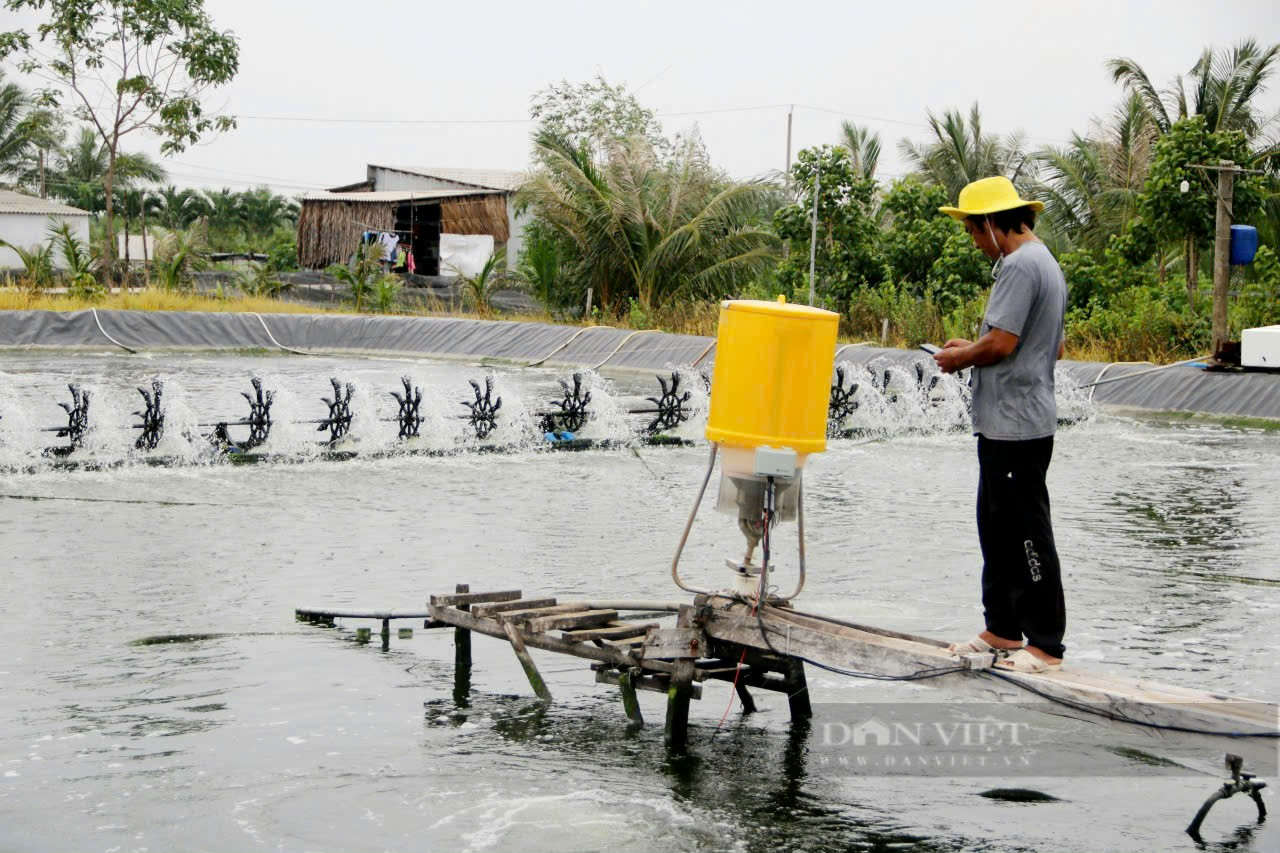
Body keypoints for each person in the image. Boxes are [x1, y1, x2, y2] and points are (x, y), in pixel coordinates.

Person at [932, 176, 1068, 674]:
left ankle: (1046, 644)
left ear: (991, 223)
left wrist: (960, 357)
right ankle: (1002, 630)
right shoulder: (1046, 263)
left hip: (1016, 425)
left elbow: (1003, 343)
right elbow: (1048, 345)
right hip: (1014, 419)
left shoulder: (1018, 265)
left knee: (1027, 533)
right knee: (996, 526)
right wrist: (971, 348)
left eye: (972, 231)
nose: (973, 242)